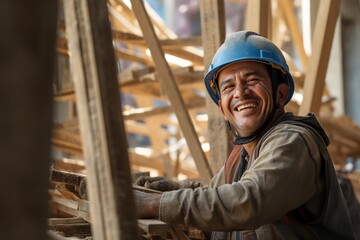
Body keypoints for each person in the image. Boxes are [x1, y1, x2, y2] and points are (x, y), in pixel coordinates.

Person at [134, 31, 355, 239]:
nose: (240, 92)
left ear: (281, 93)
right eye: (229, 87)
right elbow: (217, 195)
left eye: (252, 80)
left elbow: (246, 201)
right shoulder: (242, 155)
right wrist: (173, 188)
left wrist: (154, 203)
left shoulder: (293, 141)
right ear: (222, 107)